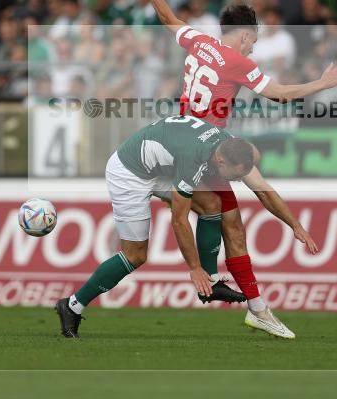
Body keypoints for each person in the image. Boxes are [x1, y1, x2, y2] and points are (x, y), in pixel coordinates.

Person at [121, 0, 337, 337]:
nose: (255, 44)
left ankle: (255, 305)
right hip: (207, 148)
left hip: (180, 137)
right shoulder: (239, 61)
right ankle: (233, 291)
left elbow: (167, 17)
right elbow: (279, 94)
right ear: (246, 35)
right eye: (255, 39)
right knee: (235, 211)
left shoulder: (198, 41)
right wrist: (322, 83)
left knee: (232, 220)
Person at [55, 115, 314, 339]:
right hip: (129, 173)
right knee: (135, 256)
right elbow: (178, 220)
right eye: (234, 177)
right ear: (221, 162)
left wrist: (295, 226)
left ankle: (211, 283)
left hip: (157, 168)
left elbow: (263, 190)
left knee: (212, 203)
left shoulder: (228, 144)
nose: (235, 182)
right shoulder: (193, 160)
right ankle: (73, 305)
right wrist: (194, 268)